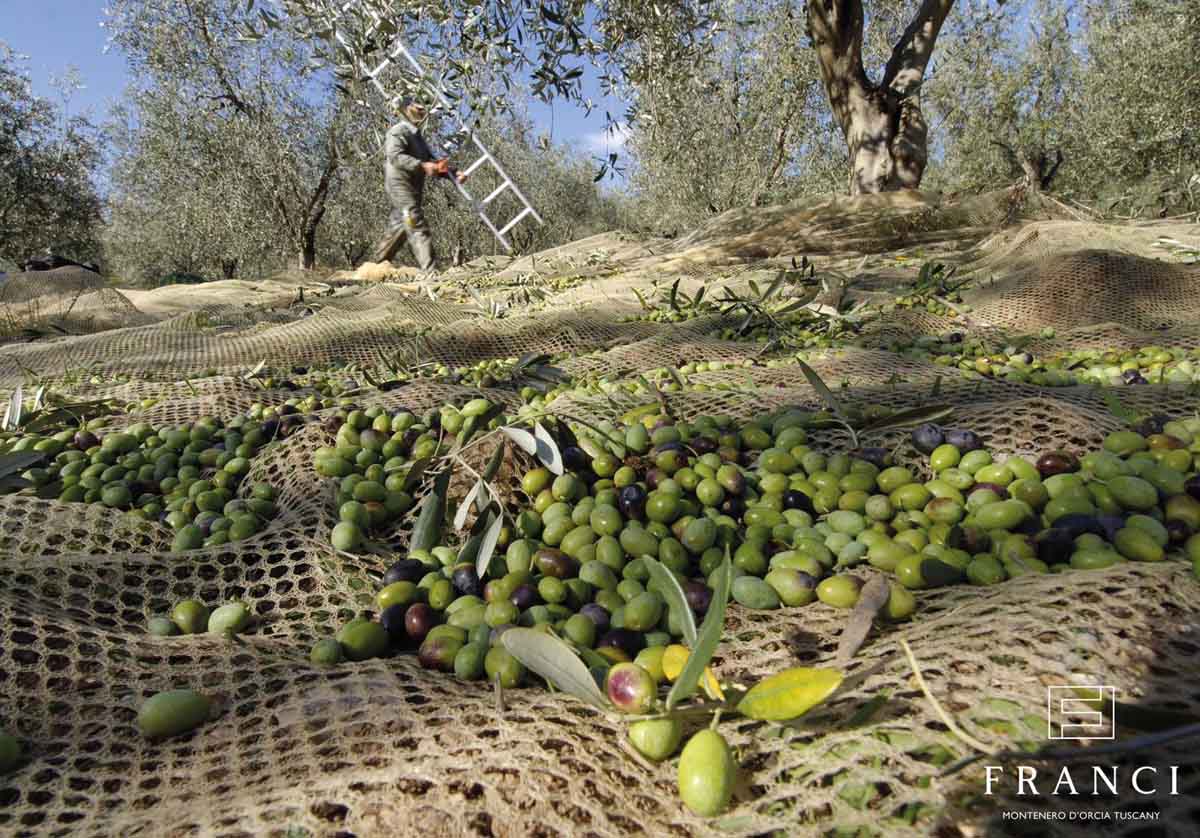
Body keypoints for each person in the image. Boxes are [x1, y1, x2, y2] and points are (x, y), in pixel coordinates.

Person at [370, 99, 465, 275]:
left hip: (413, 187)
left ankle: (375, 267)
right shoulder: (398, 131)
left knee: (400, 225)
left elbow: (432, 164)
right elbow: (394, 155)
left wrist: (454, 173)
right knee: (415, 222)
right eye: (416, 105)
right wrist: (421, 165)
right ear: (405, 110)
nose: (422, 108)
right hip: (400, 185)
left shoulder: (418, 138)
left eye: (423, 106)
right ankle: (431, 272)